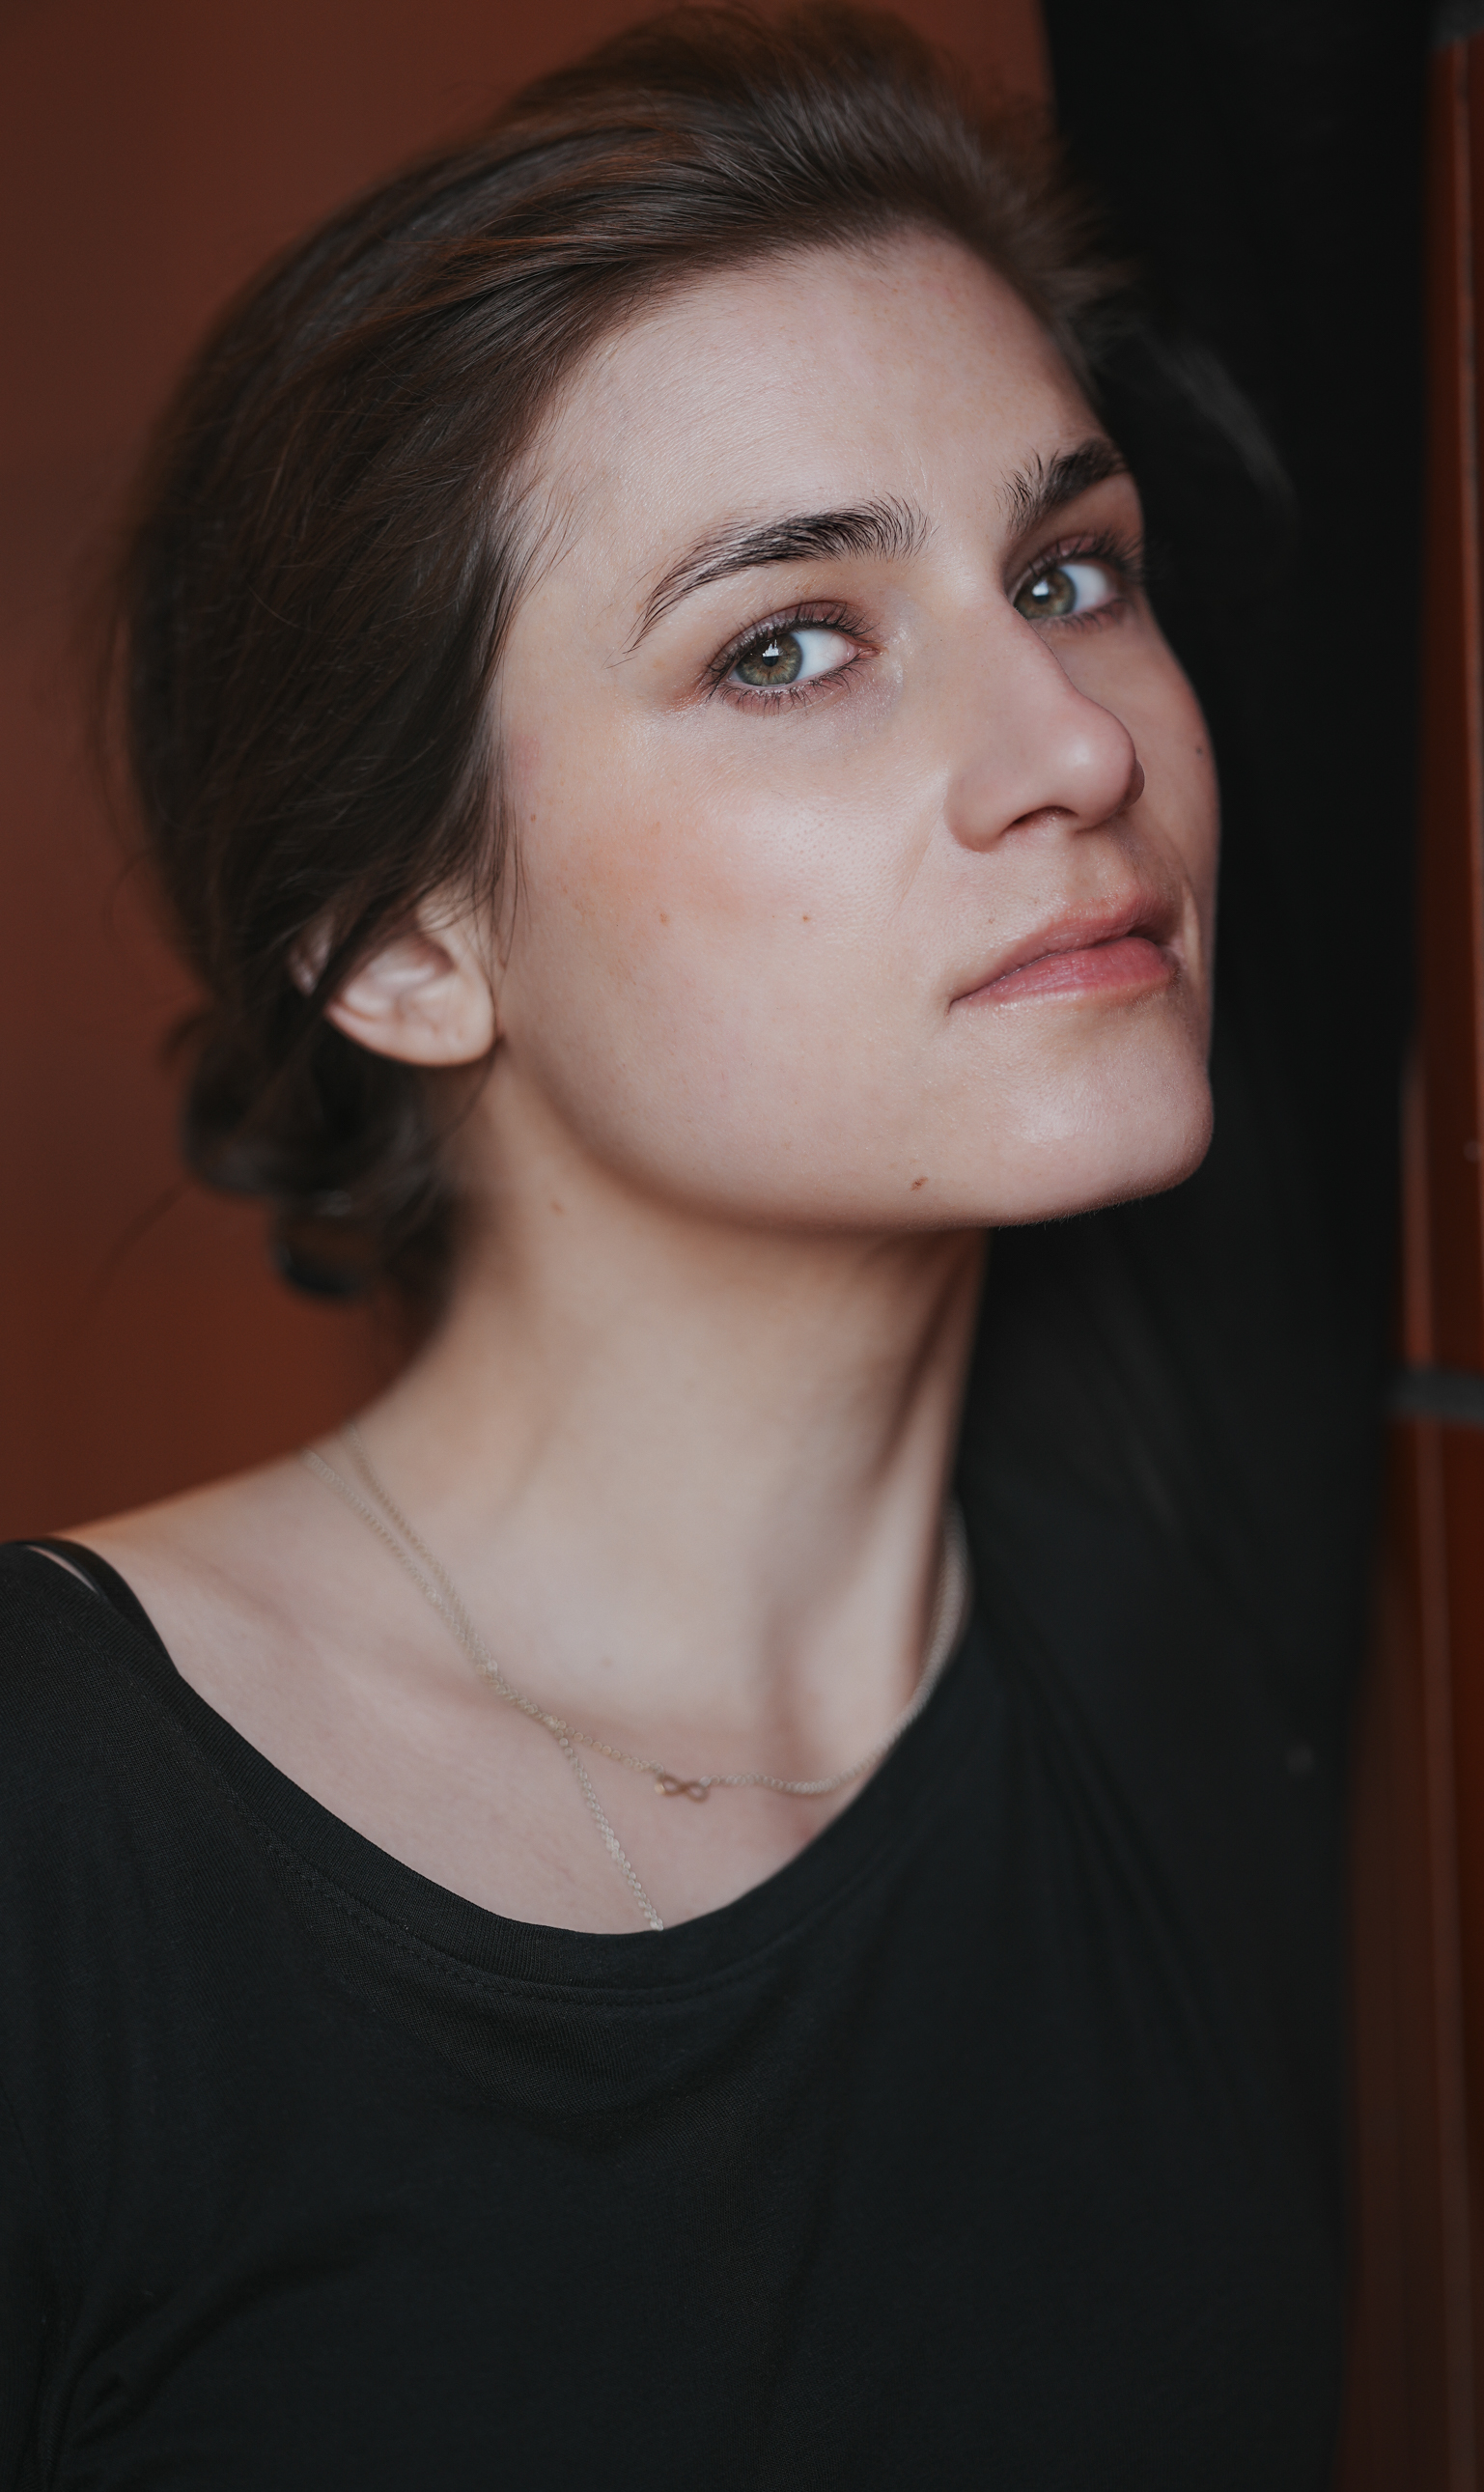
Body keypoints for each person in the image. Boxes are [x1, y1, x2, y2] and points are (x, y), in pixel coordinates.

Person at [0, 12, 1353, 2482]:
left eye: (1068, 569)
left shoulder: (1199, 1590)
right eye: (786, 644)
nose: (1074, 743)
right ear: (397, 941)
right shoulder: (53, 1841)